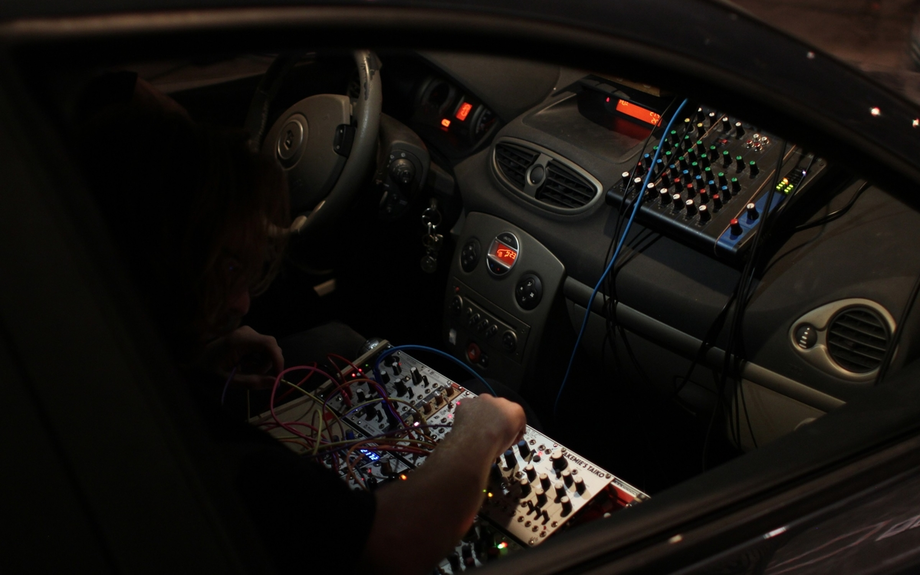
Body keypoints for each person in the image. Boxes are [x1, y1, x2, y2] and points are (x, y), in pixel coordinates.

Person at [73, 71, 526, 574]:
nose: (243, 304)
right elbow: (392, 544)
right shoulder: (227, 459)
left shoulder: (97, 343)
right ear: (157, 267)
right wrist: (477, 432)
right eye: (226, 270)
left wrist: (193, 356)